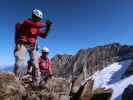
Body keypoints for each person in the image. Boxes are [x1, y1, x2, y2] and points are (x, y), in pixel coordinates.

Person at [14, 9, 52, 83]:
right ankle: (15, 80)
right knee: (19, 63)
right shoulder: (26, 22)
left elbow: (44, 36)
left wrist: (48, 29)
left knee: (35, 64)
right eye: (37, 18)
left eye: (39, 19)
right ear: (33, 16)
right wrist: (46, 24)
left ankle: (36, 82)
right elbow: (36, 25)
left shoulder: (36, 28)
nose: (38, 20)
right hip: (23, 44)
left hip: (33, 46)